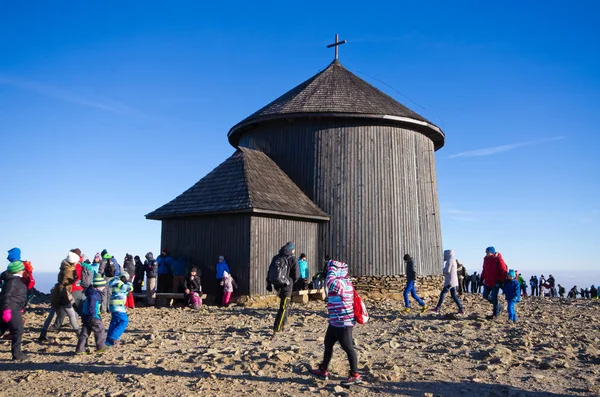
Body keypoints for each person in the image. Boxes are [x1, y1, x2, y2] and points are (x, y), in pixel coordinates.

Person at [310, 259, 361, 385]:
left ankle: (355, 374)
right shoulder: (342, 281)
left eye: (330, 269)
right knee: (328, 344)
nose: (327, 271)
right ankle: (323, 370)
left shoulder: (342, 282)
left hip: (343, 321)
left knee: (348, 347)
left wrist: (332, 268)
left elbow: (329, 282)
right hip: (335, 321)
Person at [39, 252, 81, 341]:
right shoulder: (69, 271)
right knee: (72, 315)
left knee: (51, 314)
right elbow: (68, 282)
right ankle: (79, 335)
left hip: (57, 293)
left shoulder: (63, 267)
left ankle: (43, 334)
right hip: (63, 294)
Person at [267, 242, 299, 334]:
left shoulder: (276, 257)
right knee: (283, 307)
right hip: (287, 286)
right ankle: (277, 328)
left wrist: (269, 283)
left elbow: (269, 271)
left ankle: (284, 324)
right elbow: (296, 275)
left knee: (284, 306)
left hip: (277, 285)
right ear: (292, 249)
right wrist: (292, 282)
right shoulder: (293, 258)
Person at [0, 260, 28, 360]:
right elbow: (6, 295)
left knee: (2, 329)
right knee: (18, 330)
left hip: (14, 308)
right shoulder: (13, 281)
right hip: (11, 308)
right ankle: (17, 354)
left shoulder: (13, 279)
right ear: (18, 270)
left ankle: (17, 353)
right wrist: (6, 310)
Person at [76, 274, 109, 354]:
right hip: (92, 316)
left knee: (85, 332)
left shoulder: (91, 292)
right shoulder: (94, 294)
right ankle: (101, 347)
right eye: (103, 286)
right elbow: (92, 306)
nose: (104, 287)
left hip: (85, 315)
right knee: (100, 330)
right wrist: (95, 315)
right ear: (99, 286)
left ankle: (80, 349)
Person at [431, 250, 465, 315]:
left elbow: (447, 271)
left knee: (442, 294)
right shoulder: (454, 261)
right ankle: (461, 309)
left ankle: (437, 309)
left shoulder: (449, 261)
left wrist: (442, 270)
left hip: (449, 281)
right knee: (454, 295)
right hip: (454, 281)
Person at [106, 272, 133, 346]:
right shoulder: (118, 283)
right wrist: (129, 283)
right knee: (124, 321)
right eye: (126, 278)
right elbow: (129, 288)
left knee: (114, 323)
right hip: (118, 306)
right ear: (123, 277)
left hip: (115, 306)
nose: (127, 280)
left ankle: (109, 341)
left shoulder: (115, 282)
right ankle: (113, 337)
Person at [481, 246, 508, 320]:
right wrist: (482, 278)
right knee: (485, 295)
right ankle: (499, 306)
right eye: (486, 252)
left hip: (496, 282)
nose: (486, 253)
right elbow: (484, 269)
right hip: (487, 281)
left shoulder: (497, 259)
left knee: (494, 297)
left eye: (488, 252)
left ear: (492, 252)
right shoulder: (486, 259)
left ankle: (495, 314)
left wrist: (500, 280)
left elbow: (503, 270)